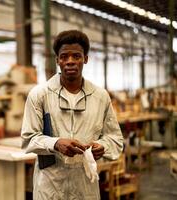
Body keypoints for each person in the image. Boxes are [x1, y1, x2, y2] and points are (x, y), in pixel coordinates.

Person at [21, 30, 124, 200]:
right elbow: (28, 139)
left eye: (76, 56)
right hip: (50, 186)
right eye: (64, 56)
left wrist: (102, 146)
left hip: (85, 186)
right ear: (57, 60)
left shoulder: (100, 96)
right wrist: (55, 143)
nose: (70, 62)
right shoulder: (40, 95)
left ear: (85, 59)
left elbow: (115, 138)